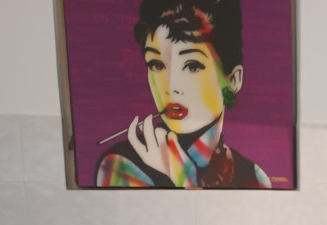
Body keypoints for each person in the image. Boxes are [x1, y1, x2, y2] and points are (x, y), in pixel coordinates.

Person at [96, 0, 271, 189]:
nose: (171, 86)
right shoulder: (122, 166)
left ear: (233, 80)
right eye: (156, 64)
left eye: (192, 66)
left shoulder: (254, 177)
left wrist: (184, 177)